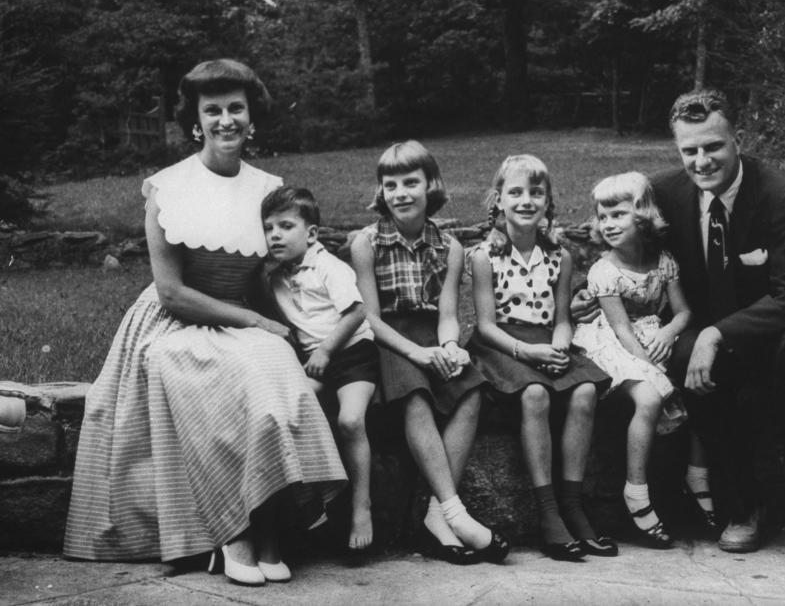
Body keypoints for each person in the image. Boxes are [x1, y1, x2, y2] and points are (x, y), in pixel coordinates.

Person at [63, 59, 348, 586]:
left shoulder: (269, 188)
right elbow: (172, 293)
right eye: (212, 110)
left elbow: (270, 274)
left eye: (235, 108)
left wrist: (288, 327)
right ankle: (230, 531)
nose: (225, 120)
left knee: (277, 379)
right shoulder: (168, 188)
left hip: (242, 321)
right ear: (195, 120)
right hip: (175, 325)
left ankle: (269, 527)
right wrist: (253, 322)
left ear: (251, 116)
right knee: (215, 381)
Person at [651, 88, 785, 568]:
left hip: (782, 331)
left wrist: (720, 334)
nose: (702, 161)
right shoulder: (666, 194)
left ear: (737, 140)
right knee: (681, 352)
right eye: (689, 150)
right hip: (712, 334)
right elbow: (617, 242)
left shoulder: (777, 193)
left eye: (713, 146)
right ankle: (744, 505)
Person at [349, 140, 509, 565]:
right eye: (390, 184)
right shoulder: (366, 242)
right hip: (388, 340)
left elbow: (448, 314)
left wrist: (451, 346)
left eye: (410, 182)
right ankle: (457, 514)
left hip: (432, 335)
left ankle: (437, 517)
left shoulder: (449, 246)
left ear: (430, 185)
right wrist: (418, 356)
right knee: (415, 396)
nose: (400, 193)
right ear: (380, 191)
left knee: (471, 389)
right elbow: (371, 319)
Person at [468, 154, 615, 562]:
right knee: (535, 395)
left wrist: (561, 346)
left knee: (585, 390)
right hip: (503, 345)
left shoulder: (560, 256)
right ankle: (548, 512)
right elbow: (484, 326)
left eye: (536, 192)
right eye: (515, 192)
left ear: (548, 202)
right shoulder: (485, 257)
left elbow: (564, 318)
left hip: (548, 340)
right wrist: (528, 351)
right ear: (498, 201)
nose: (526, 200)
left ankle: (572, 504)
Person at [572, 172, 716, 549]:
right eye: (602, 216)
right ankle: (636, 492)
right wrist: (652, 369)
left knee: (699, 384)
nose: (608, 224)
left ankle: (698, 475)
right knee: (651, 397)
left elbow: (683, 312)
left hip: (653, 335)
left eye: (617, 214)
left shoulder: (663, 261)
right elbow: (620, 331)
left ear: (643, 216)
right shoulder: (605, 271)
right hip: (612, 343)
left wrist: (668, 334)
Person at [261, 186, 380, 553]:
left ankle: (362, 506)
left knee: (350, 420)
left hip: (352, 352)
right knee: (296, 410)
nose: (275, 235)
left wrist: (327, 351)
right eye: (268, 228)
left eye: (285, 226)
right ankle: (312, 501)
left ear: (311, 233)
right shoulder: (276, 276)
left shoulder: (329, 267)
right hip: (314, 361)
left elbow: (357, 311)